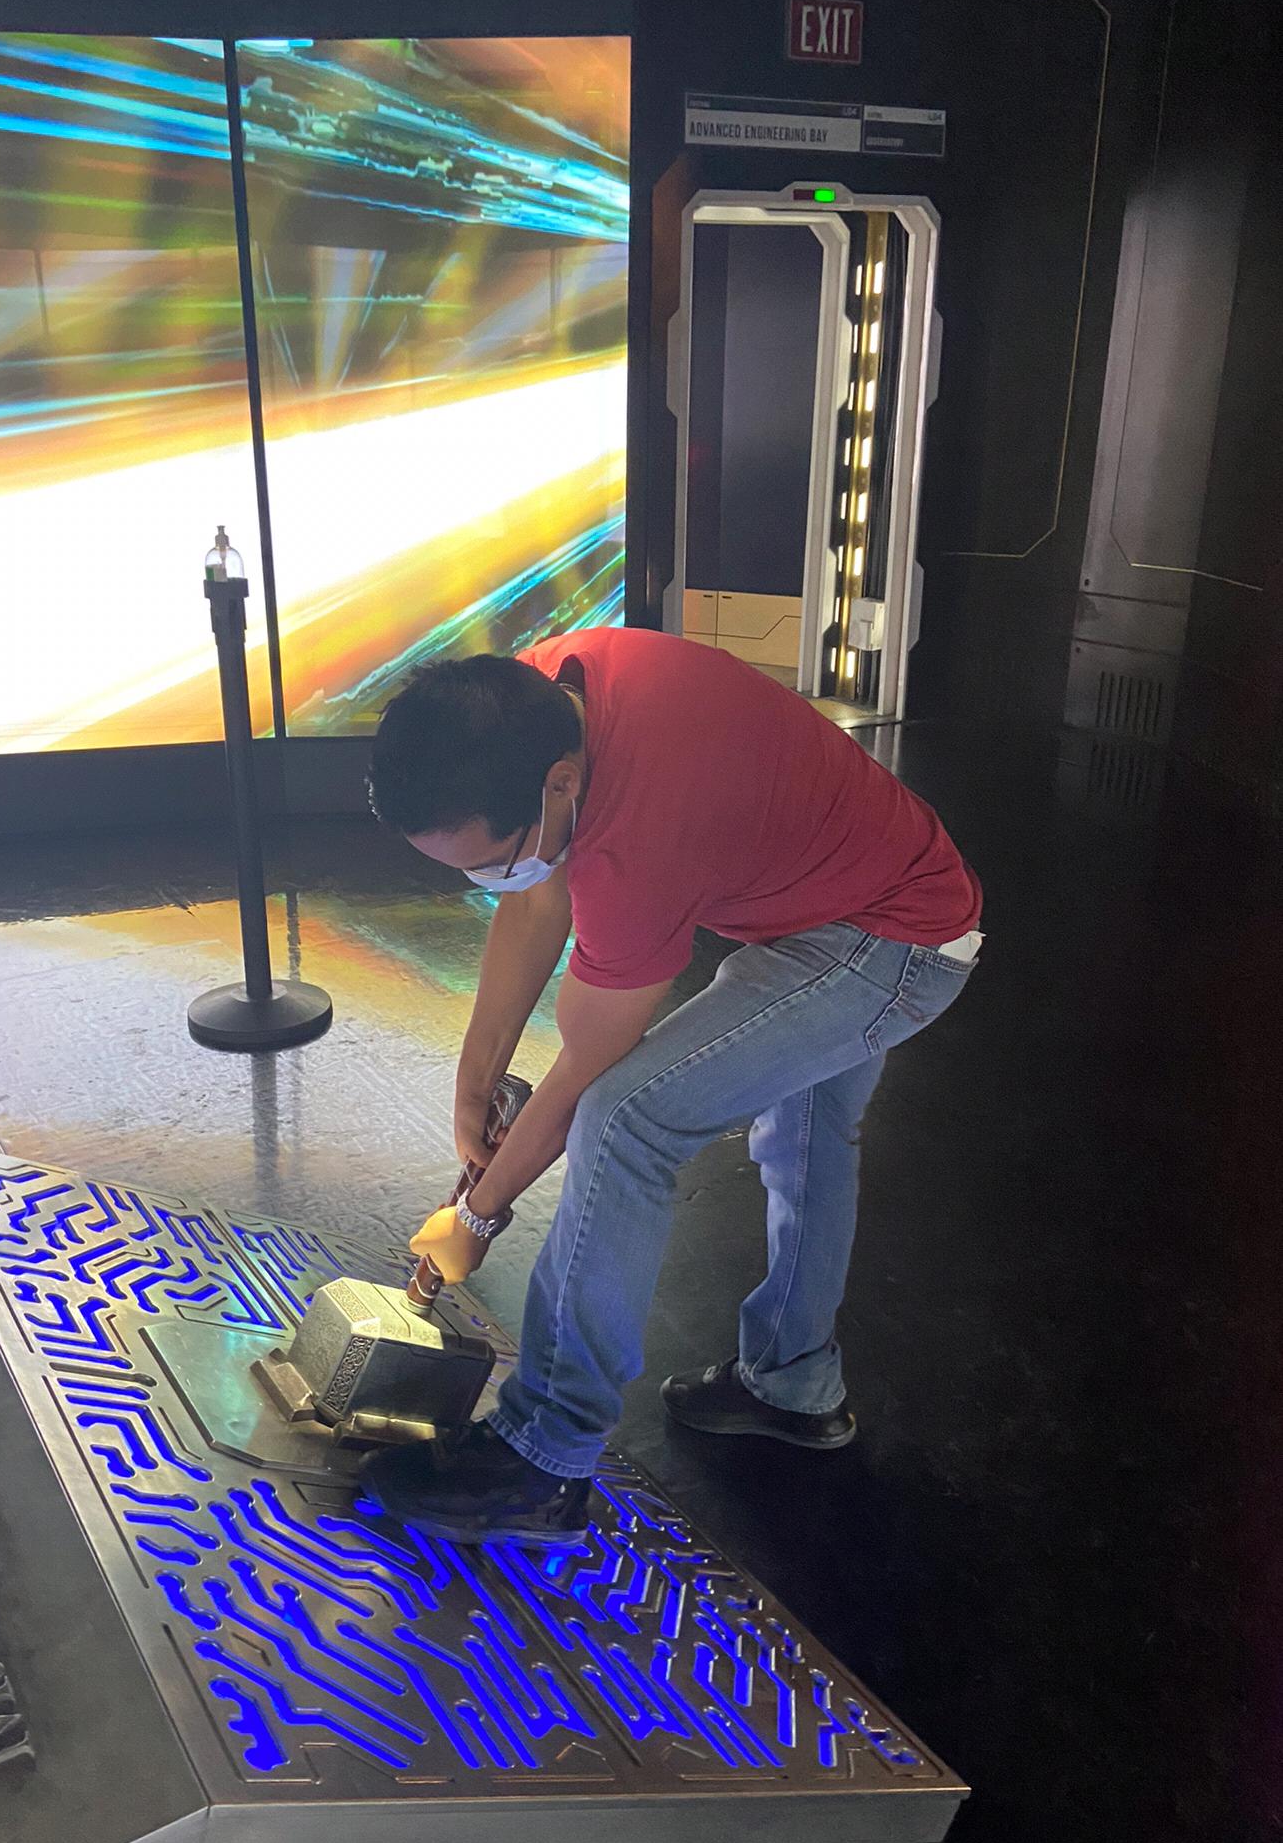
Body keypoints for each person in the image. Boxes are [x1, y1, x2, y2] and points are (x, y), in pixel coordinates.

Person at [363, 627, 981, 1545]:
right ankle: (794, 1386)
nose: (491, 880)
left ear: (560, 785)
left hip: (891, 942)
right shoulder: (536, 698)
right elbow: (533, 895)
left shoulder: (640, 828)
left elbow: (590, 1069)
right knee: (804, 1141)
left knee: (628, 1121)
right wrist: (473, 1088)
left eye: (491, 860)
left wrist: (477, 1217)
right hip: (844, 892)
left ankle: (543, 1457)